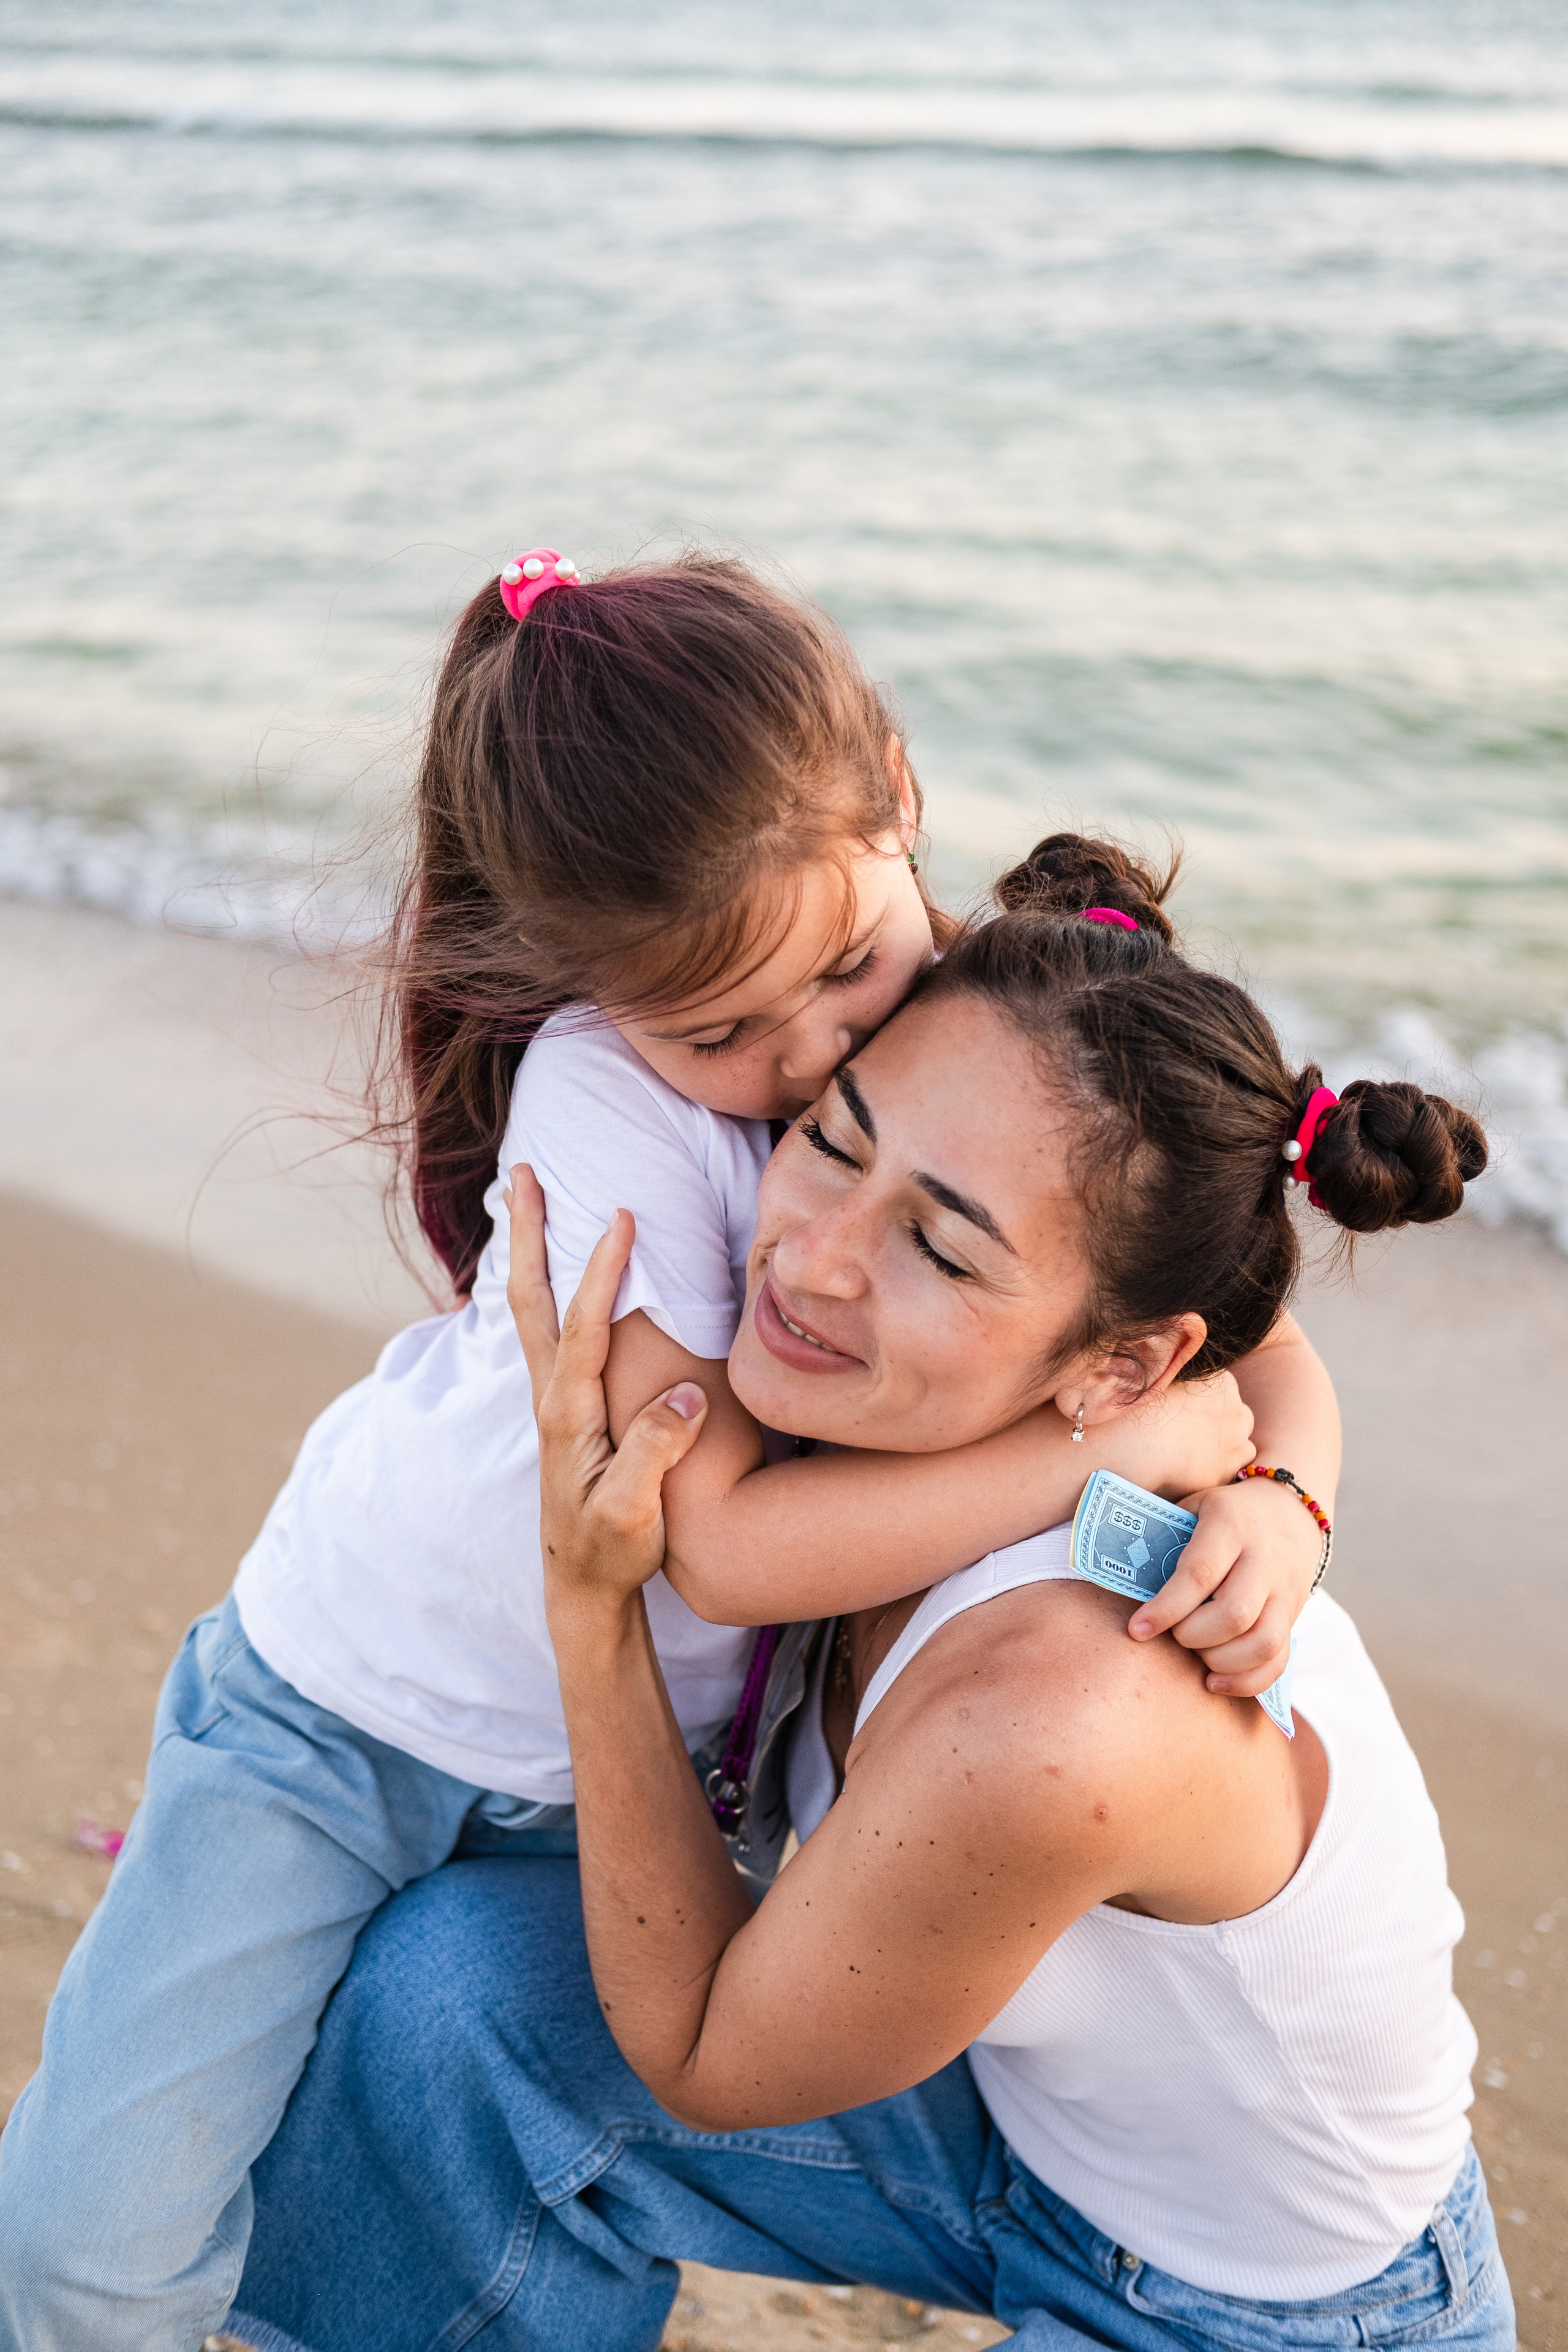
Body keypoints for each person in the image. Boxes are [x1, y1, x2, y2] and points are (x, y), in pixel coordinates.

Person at [0, 559, 1328, 2352]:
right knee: (96, 2229)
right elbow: (719, 1550)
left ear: (900, 786)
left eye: (849, 964)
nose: (811, 1058)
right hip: (333, 1720)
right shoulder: (608, 1102)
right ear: (600, 992)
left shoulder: (971, 1014)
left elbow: (1229, 1319)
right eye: (721, 1029)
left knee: (447, 2133)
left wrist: (1283, 1492)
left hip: (612, 1781)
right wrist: (1118, 1461)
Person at [227, 862, 1507, 2352]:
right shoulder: (932, 1418)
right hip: (1007, 2139)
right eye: (831, 1143)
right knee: (448, 2001)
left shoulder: (1059, 1707)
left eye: (941, 1248)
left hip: (1268, 2314)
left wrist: (596, 1615)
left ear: (1121, 1369)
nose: (814, 1262)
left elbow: (707, 2057)